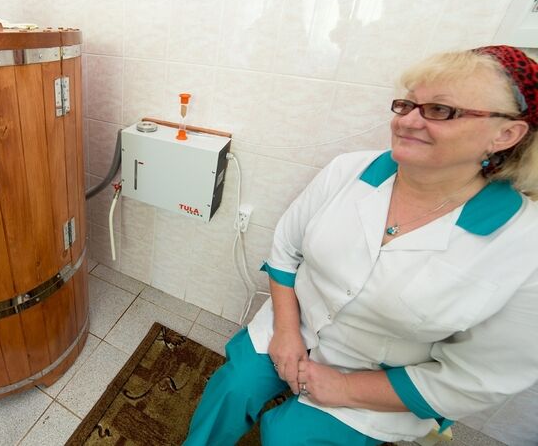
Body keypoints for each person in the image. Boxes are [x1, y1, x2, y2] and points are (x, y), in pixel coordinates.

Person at [185, 45, 538, 445]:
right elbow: (285, 248)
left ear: (505, 134)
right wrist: (285, 331)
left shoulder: (524, 246)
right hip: (292, 324)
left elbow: (478, 378)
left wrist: (346, 388)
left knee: (289, 437)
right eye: (406, 105)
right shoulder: (348, 171)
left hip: (380, 380)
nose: (407, 121)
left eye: (439, 110)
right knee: (232, 389)